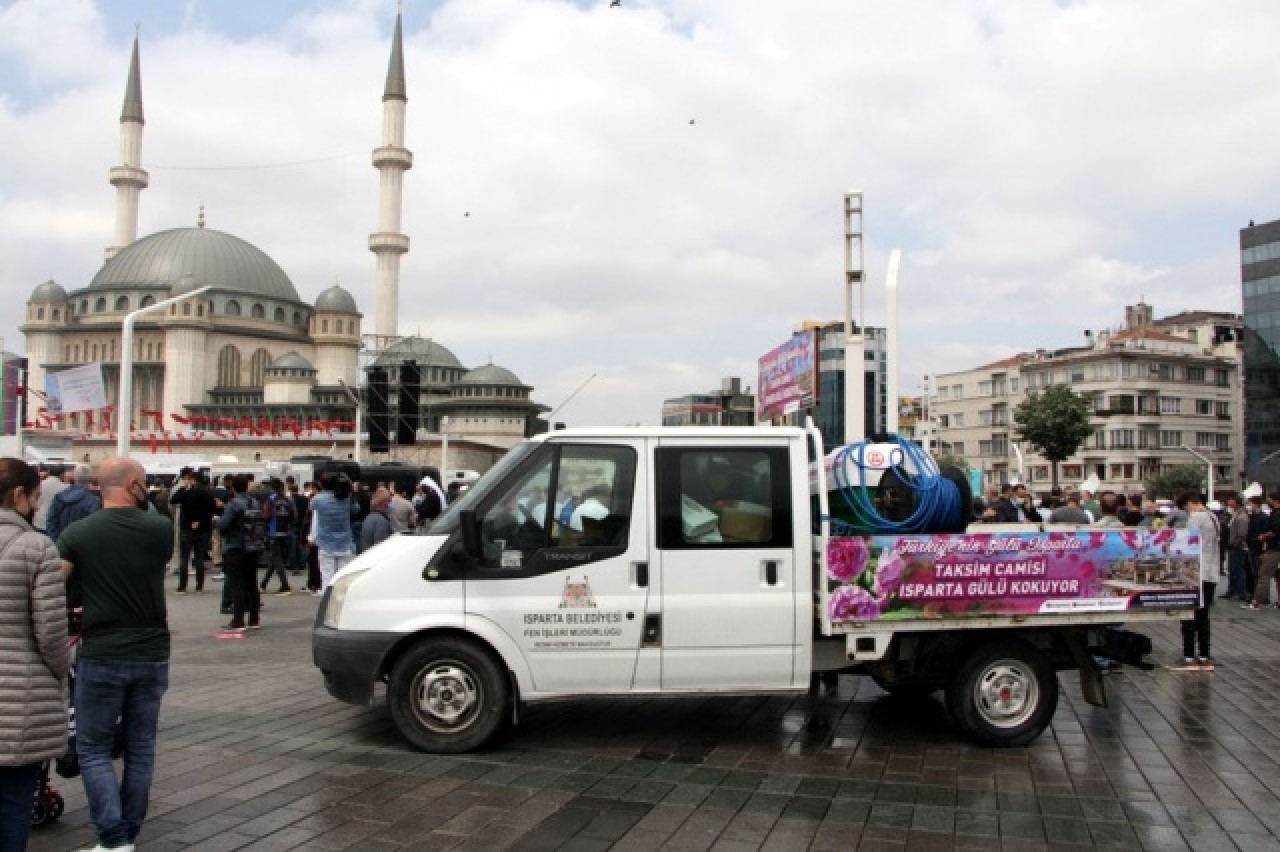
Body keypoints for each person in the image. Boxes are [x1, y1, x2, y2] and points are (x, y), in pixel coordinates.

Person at [57, 456, 172, 851]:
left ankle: (113, 837)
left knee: (93, 748)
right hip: (152, 650)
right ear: (136, 483)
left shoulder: (78, 533)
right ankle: (128, 834)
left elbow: (57, 581)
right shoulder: (160, 529)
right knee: (141, 747)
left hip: (100, 650)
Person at [0, 458, 71, 851]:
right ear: (18, 495)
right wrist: (62, 672)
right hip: (18, 702)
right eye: (34, 498)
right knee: (13, 800)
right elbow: (51, 633)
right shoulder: (36, 547)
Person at [1178, 492, 1220, 669]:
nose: (1187, 511)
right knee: (1204, 615)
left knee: (1189, 614)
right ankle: (1204, 653)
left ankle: (1189, 653)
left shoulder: (1195, 517)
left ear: (1190, 503)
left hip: (1196, 573)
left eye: (1186, 507)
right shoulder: (1213, 517)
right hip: (1211, 571)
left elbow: (1189, 543)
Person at [216, 474, 263, 631]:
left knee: (237, 584)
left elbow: (223, 525)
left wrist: (215, 521)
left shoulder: (234, 504)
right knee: (252, 583)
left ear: (233, 487)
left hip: (235, 547)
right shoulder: (255, 503)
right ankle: (254, 619)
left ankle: (238, 620)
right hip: (253, 546)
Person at [170, 472, 216, 594]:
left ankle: (182, 586)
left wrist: (182, 488)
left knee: (184, 558)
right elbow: (212, 509)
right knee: (200, 558)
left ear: (193, 480)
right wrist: (200, 521)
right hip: (203, 529)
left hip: (186, 528)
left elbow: (173, 500)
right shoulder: (208, 493)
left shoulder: (187, 492)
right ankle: (199, 586)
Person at [310, 473, 356, 590]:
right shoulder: (346, 498)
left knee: (327, 578)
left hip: (326, 544)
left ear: (321, 484)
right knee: (343, 579)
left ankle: (328, 603)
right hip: (345, 543)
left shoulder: (318, 499)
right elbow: (356, 510)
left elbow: (311, 507)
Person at [45, 462, 102, 541]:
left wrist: (58, 540)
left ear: (75, 477)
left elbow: (50, 520)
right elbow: (95, 528)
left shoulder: (59, 496)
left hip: (61, 542)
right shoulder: (94, 501)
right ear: (90, 478)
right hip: (82, 545)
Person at [1246, 492, 1280, 610]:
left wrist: (1263, 536)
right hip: (1275, 548)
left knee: (1263, 575)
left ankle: (1257, 602)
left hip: (1274, 549)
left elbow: (1275, 531)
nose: (1268, 502)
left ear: (1276, 501)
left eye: (1270, 499)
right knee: (1277, 576)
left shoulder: (1276, 515)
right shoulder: (1273, 513)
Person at [260, 479, 294, 596]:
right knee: (275, 559)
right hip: (284, 531)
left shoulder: (271, 499)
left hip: (273, 532)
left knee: (277, 559)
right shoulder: (287, 499)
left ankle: (285, 585)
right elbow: (293, 515)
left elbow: (267, 515)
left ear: (271, 487)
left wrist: (263, 519)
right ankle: (263, 584)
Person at [1223, 496, 1251, 600]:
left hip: (1237, 547)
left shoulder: (1242, 516)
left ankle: (1241, 592)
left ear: (1237, 503)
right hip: (1233, 546)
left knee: (1238, 570)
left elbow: (1242, 534)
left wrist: (1235, 543)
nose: (1229, 505)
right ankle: (1233, 590)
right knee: (1232, 570)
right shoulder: (1235, 515)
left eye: (1231, 503)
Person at [33, 463, 68, 533]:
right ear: (62, 474)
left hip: (38, 521)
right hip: (55, 523)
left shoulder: (39, 484)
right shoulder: (65, 488)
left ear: (49, 472)